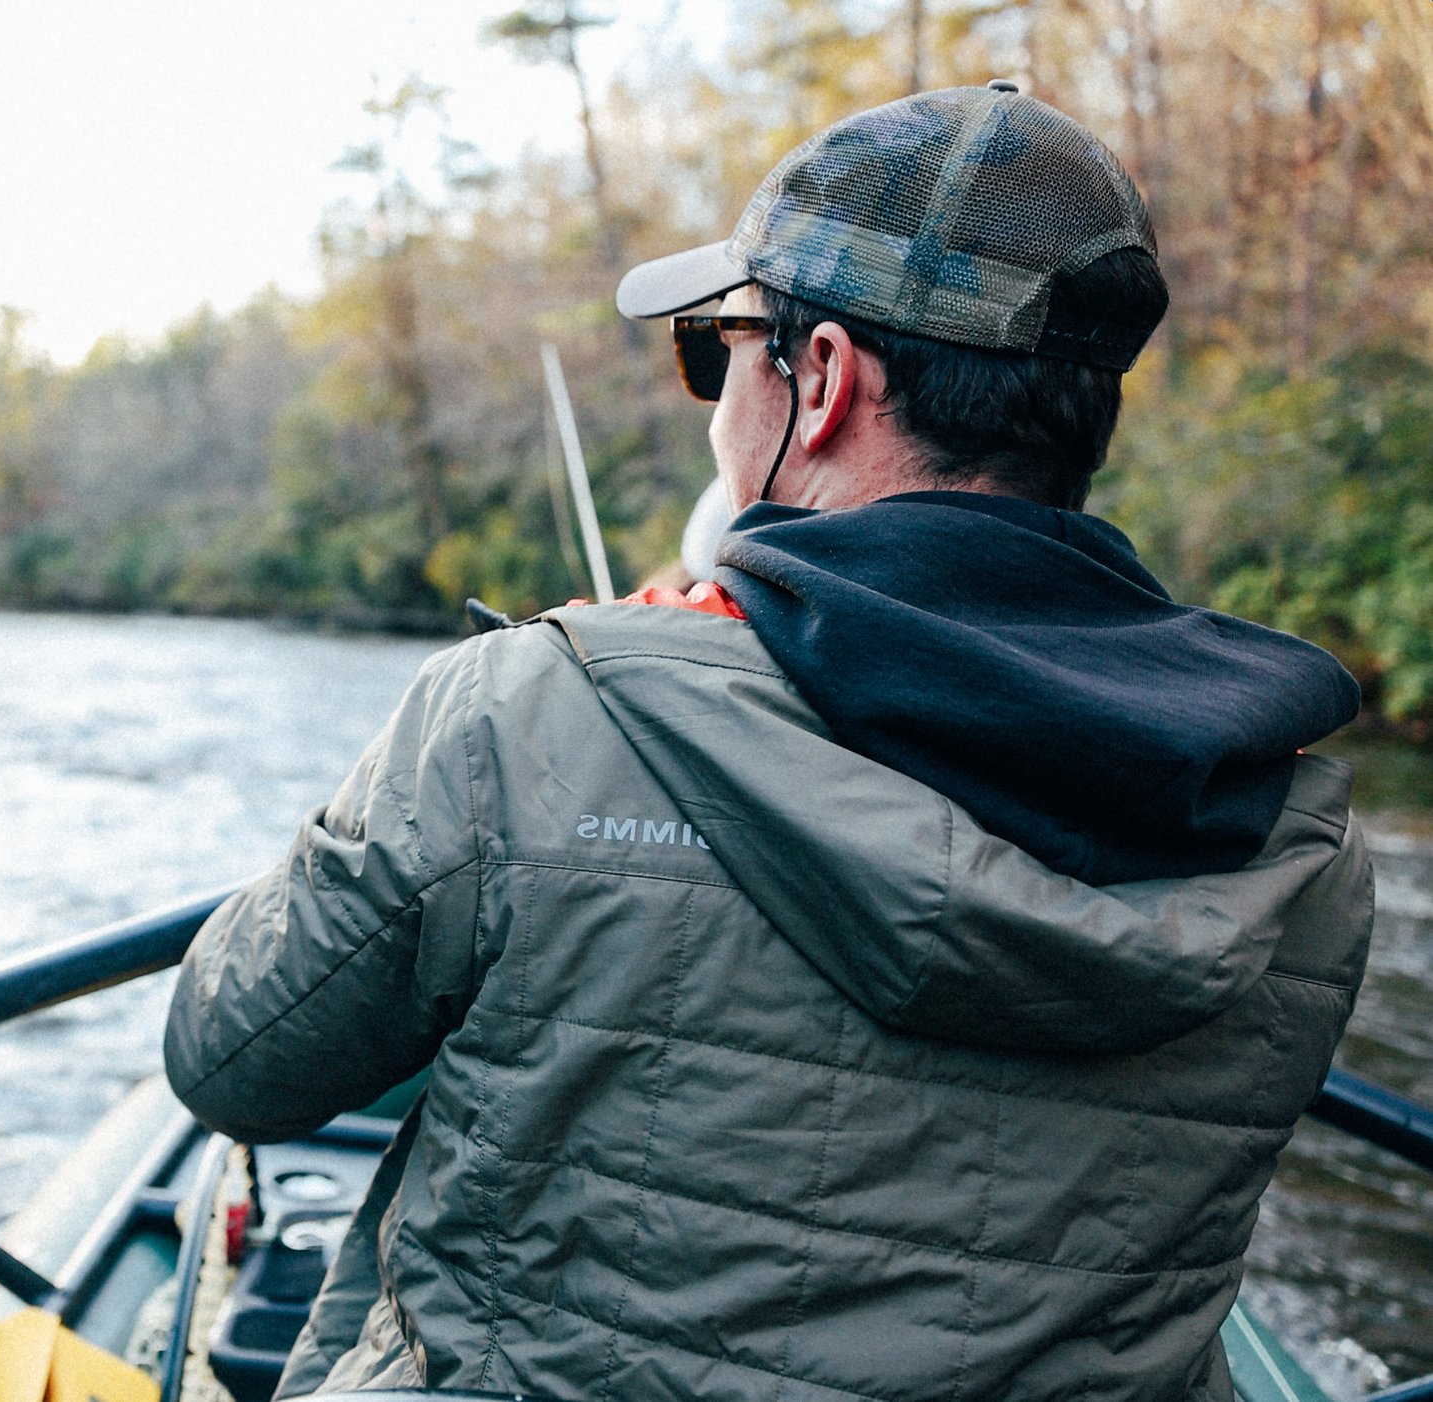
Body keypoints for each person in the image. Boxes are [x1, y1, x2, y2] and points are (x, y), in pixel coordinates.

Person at [162, 83, 1372, 1400]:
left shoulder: (526, 714)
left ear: (826, 379)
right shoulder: (1300, 840)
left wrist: (553, 693)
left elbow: (232, 1053)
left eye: (717, 349)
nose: (708, 399)